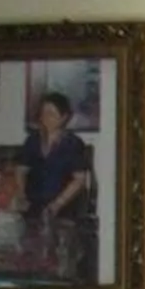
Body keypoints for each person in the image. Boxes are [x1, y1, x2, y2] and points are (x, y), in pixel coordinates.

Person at [18, 90, 93, 276]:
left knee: (60, 244)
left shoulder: (73, 143)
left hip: (64, 205)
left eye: (51, 113)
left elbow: (79, 180)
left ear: (64, 117)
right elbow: (21, 170)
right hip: (34, 204)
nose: (46, 117)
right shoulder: (32, 141)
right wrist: (20, 194)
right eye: (43, 112)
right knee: (28, 246)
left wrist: (56, 205)